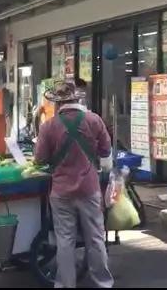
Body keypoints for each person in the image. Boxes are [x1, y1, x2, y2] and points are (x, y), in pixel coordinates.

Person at [35, 81, 114, 288]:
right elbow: (106, 150)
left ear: (57, 104)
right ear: (77, 98)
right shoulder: (93, 120)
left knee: (65, 240)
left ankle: (65, 284)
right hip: (89, 188)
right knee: (95, 238)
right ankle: (103, 283)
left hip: (61, 192)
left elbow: (40, 159)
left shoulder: (49, 126)